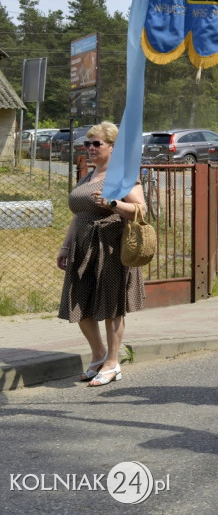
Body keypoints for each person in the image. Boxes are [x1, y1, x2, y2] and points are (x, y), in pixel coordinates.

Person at [57, 122, 147, 387]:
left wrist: (113, 203)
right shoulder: (88, 175)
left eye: (97, 143)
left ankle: (112, 363)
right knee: (78, 303)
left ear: (113, 147)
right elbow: (78, 217)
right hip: (82, 246)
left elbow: (141, 209)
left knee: (111, 306)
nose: (91, 148)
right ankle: (98, 356)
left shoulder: (121, 175)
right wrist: (65, 246)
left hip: (109, 246)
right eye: (88, 143)